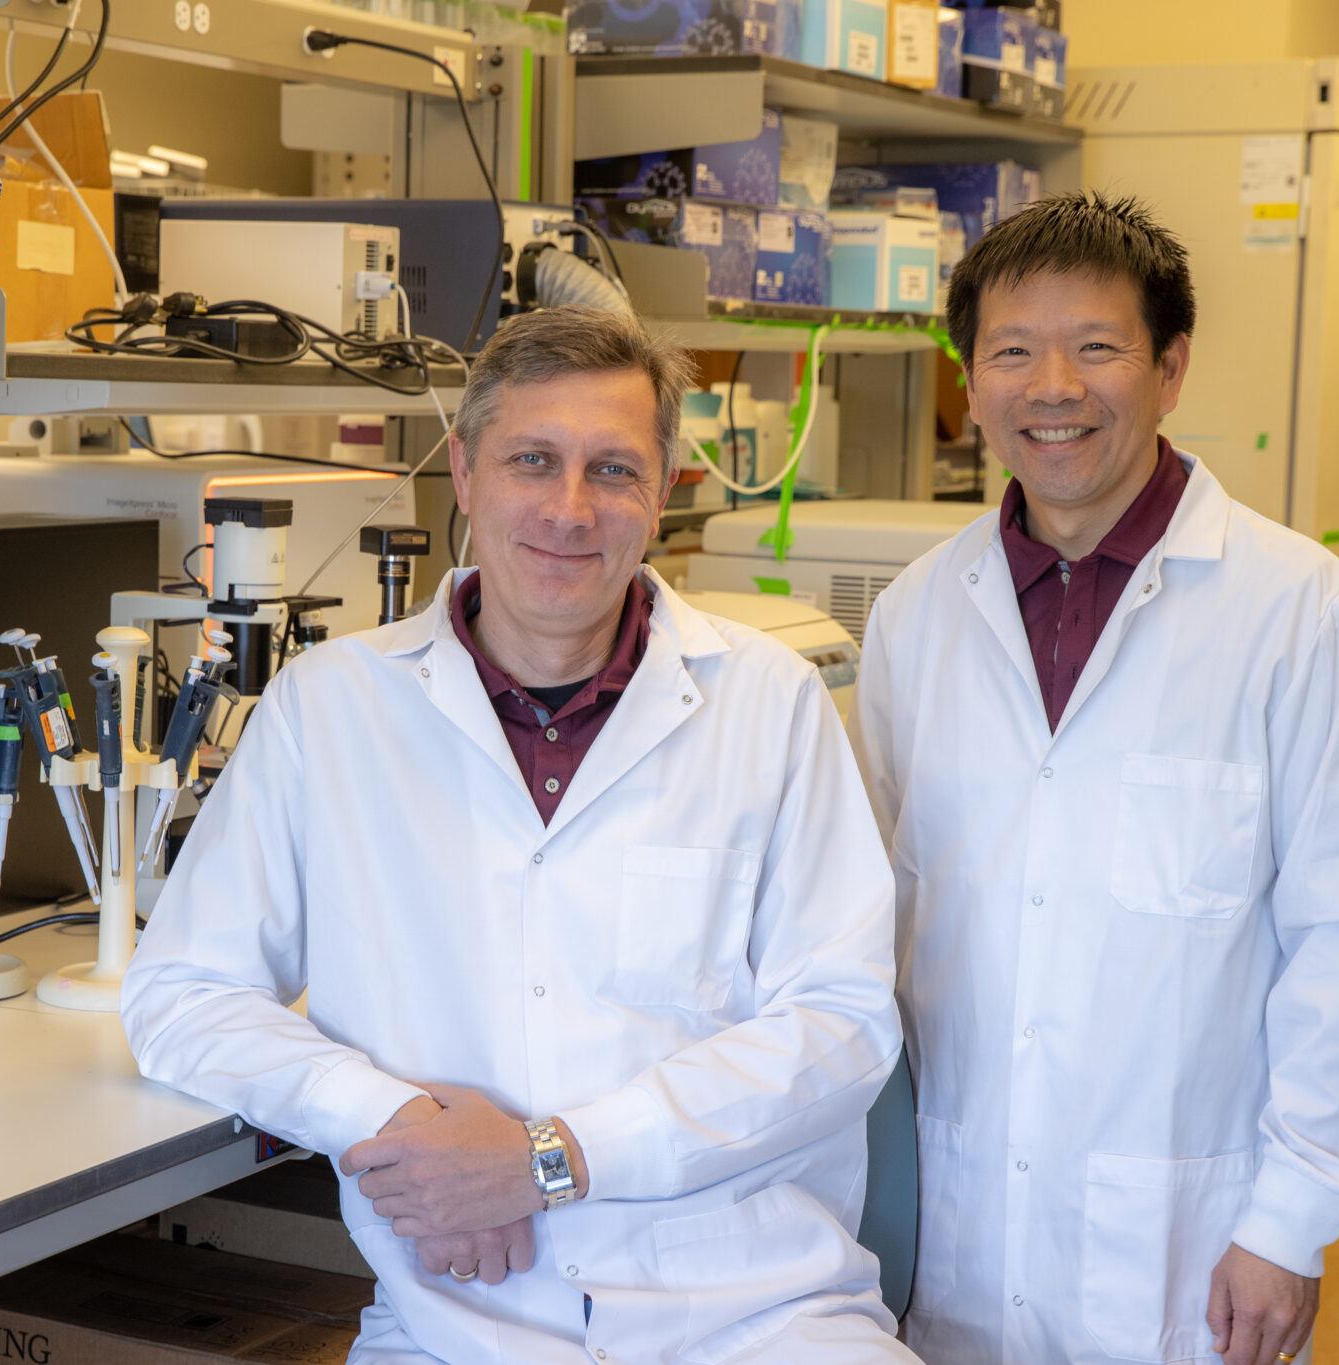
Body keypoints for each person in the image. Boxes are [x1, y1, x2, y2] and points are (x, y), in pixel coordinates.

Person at [124, 306, 914, 1364]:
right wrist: (398, 1123)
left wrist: (552, 1159)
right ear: (462, 470)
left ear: (665, 489)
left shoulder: (764, 701)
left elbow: (841, 1021)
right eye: (531, 461)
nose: (570, 508)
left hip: (755, 1310)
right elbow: (181, 995)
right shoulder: (332, 709)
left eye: (614, 470)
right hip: (456, 1317)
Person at [848, 192, 1339, 1365]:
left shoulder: (1291, 606)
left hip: (1187, 1241)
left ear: (1168, 369)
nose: (1050, 387)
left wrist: (1287, 1224)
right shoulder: (916, 615)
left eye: (1094, 348)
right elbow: (869, 921)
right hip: (954, 1225)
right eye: (1010, 352)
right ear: (970, 382)